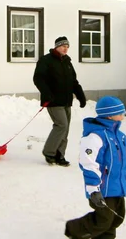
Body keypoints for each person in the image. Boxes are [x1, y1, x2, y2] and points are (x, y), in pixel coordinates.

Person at [64, 97, 126, 239]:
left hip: (117, 186)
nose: (124, 115)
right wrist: (93, 188)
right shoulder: (95, 136)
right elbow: (87, 162)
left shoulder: (119, 136)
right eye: (120, 112)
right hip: (101, 187)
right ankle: (73, 230)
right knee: (104, 219)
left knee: (117, 218)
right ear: (109, 115)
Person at [34, 36, 87, 166]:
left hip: (66, 100)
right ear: (57, 46)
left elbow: (73, 81)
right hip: (53, 100)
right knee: (61, 125)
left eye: (67, 46)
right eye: (63, 46)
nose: (66, 48)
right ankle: (49, 152)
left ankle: (59, 155)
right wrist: (46, 93)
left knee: (65, 128)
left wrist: (80, 95)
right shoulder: (46, 60)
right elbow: (38, 78)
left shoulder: (67, 62)